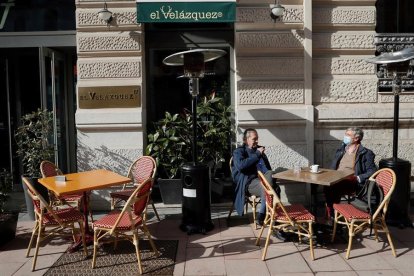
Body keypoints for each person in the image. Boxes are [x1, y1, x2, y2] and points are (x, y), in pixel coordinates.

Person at [231, 128, 283, 234]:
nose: (257, 141)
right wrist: (258, 155)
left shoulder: (258, 151)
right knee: (268, 186)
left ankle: (273, 216)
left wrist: (262, 157)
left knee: (274, 185)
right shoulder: (239, 151)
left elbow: (267, 170)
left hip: (261, 180)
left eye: (257, 139)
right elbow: (241, 166)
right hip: (247, 183)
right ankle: (263, 215)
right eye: (254, 139)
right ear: (246, 140)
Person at [324, 127, 377, 219]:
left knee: (332, 188)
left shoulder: (366, 153)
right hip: (336, 178)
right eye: (345, 134)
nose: (345, 137)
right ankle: (333, 214)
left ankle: (333, 216)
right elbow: (334, 166)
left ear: (356, 138)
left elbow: (372, 171)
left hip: (353, 182)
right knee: (327, 185)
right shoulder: (341, 150)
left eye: (348, 135)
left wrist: (357, 178)